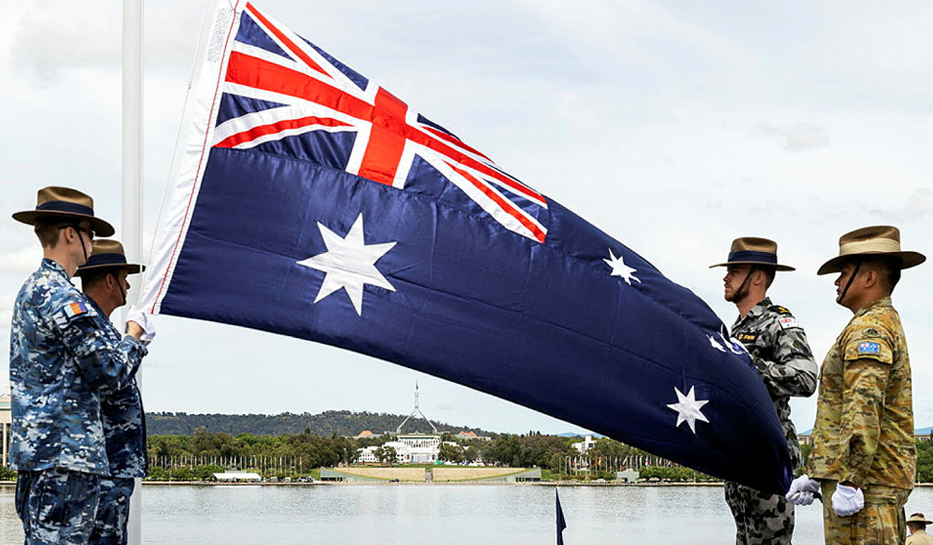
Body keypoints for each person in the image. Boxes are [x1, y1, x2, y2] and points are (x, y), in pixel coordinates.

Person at [9, 187, 148, 544]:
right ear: (71, 234)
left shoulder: (36, 290)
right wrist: (134, 336)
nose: (92, 242)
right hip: (66, 458)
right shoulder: (62, 296)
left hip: (50, 457)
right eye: (91, 233)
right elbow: (108, 374)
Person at [787, 225, 925, 545]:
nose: (836, 281)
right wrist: (820, 471)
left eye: (844, 271)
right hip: (867, 485)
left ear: (868, 278)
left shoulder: (869, 328)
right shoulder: (873, 322)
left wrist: (850, 481)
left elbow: (863, 407)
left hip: (867, 490)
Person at [711, 237, 818, 545]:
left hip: (767, 458)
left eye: (734, 270)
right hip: (739, 459)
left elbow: (805, 377)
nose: (725, 277)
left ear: (757, 277)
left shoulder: (778, 323)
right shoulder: (734, 329)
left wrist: (747, 365)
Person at [76, 240, 153, 545]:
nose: (126, 285)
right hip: (103, 467)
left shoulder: (102, 327)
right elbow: (109, 377)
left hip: (114, 465)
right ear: (109, 280)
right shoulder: (89, 325)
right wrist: (133, 336)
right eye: (123, 278)